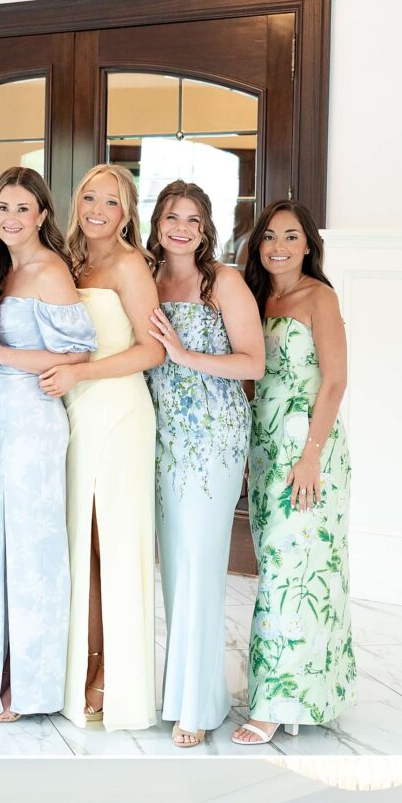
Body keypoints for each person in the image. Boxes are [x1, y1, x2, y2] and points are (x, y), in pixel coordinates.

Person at [0, 167, 97, 718]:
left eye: (23, 208)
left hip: (34, 422)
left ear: (42, 214)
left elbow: (79, 354)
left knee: (32, 554)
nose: (11, 218)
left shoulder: (49, 271)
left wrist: (1, 356)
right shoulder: (0, 270)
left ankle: (30, 684)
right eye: (2, 208)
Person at [145, 181, 263, 746]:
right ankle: (189, 692)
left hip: (213, 437)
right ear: (158, 221)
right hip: (161, 436)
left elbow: (253, 364)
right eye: (172, 216)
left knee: (199, 560)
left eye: (193, 219)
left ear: (206, 226)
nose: (182, 228)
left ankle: (197, 707)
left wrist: (186, 355)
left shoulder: (225, 281)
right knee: (174, 566)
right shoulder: (147, 278)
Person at [235, 199, 355, 742]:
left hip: (310, 453)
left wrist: (310, 456)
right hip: (266, 451)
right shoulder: (259, 299)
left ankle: (275, 704)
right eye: (269, 237)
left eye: (290, 236)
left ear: (308, 244)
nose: (278, 246)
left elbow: (334, 382)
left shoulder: (319, 298)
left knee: (297, 574)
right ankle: (304, 687)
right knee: (280, 571)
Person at [47, 163, 160, 730]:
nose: (96, 209)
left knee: (112, 540)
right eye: (88, 196)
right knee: (80, 545)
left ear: (127, 213)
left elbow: (153, 350)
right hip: (74, 413)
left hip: (118, 411)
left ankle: (116, 672)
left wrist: (83, 376)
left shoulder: (129, 264)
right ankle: (85, 662)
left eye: (110, 202)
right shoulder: (68, 263)